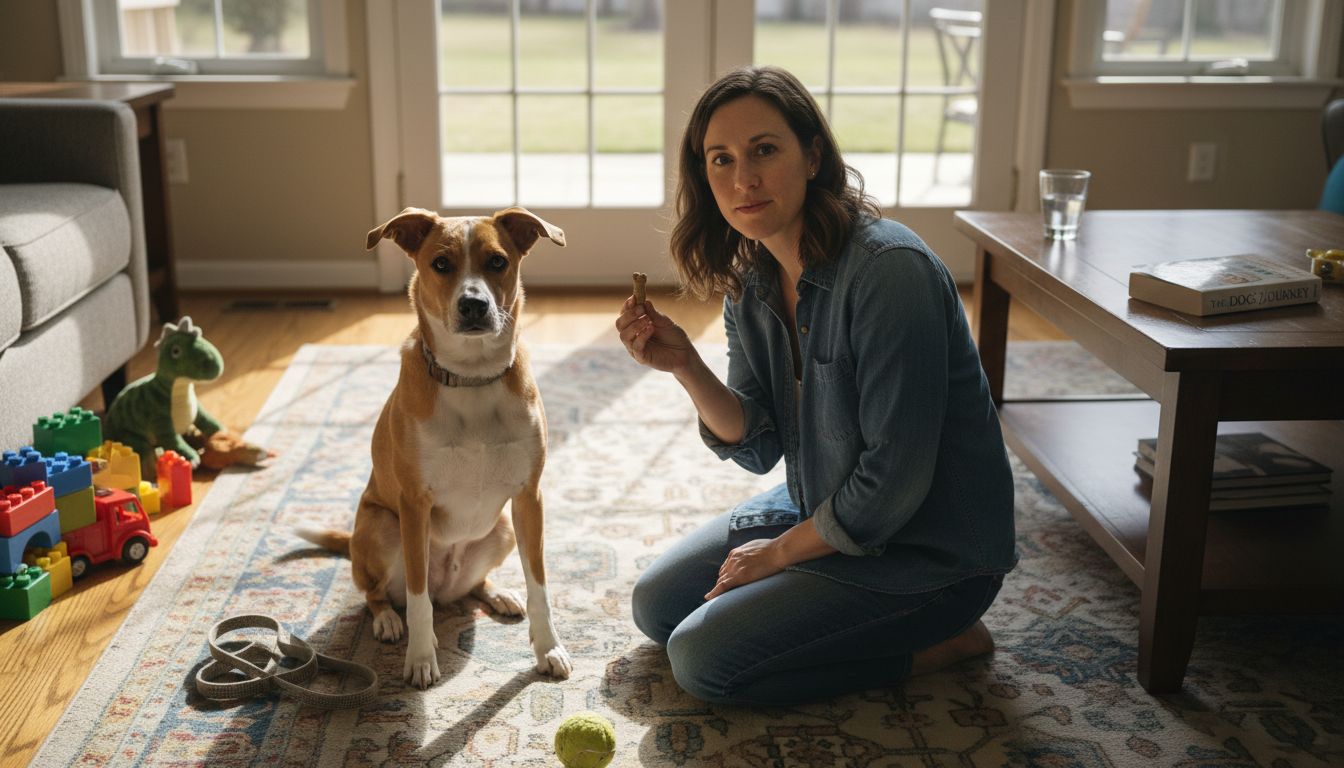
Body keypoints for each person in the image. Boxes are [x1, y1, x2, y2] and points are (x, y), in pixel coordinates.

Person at [614, 65, 1017, 707]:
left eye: (764, 150)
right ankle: (813, 588)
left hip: (928, 553)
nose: (743, 178)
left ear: (813, 156)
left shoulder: (890, 272)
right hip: (825, 505)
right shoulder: (752, 279)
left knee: (701, 661)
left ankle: (940, 645)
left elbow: (894, 481)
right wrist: (686, 366)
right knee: (658, 607)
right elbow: (758, 442)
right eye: (721, 160)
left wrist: (775, 556)